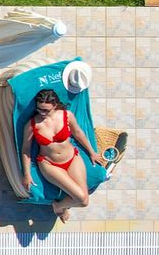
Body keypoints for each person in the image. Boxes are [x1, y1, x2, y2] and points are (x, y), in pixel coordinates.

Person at [26, 87, 108, 220]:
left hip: (72, 159)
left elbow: (78, 133)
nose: (42, 113)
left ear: (55, 105)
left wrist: (92, 152)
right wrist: (27, 174)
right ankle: (60, 207)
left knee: (84, 201)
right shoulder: (33, 124)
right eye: (39, 109)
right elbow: (25, 149)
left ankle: (58, 206)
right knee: (81, 198)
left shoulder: (67, 115)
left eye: (46, 110)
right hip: (50, 164)